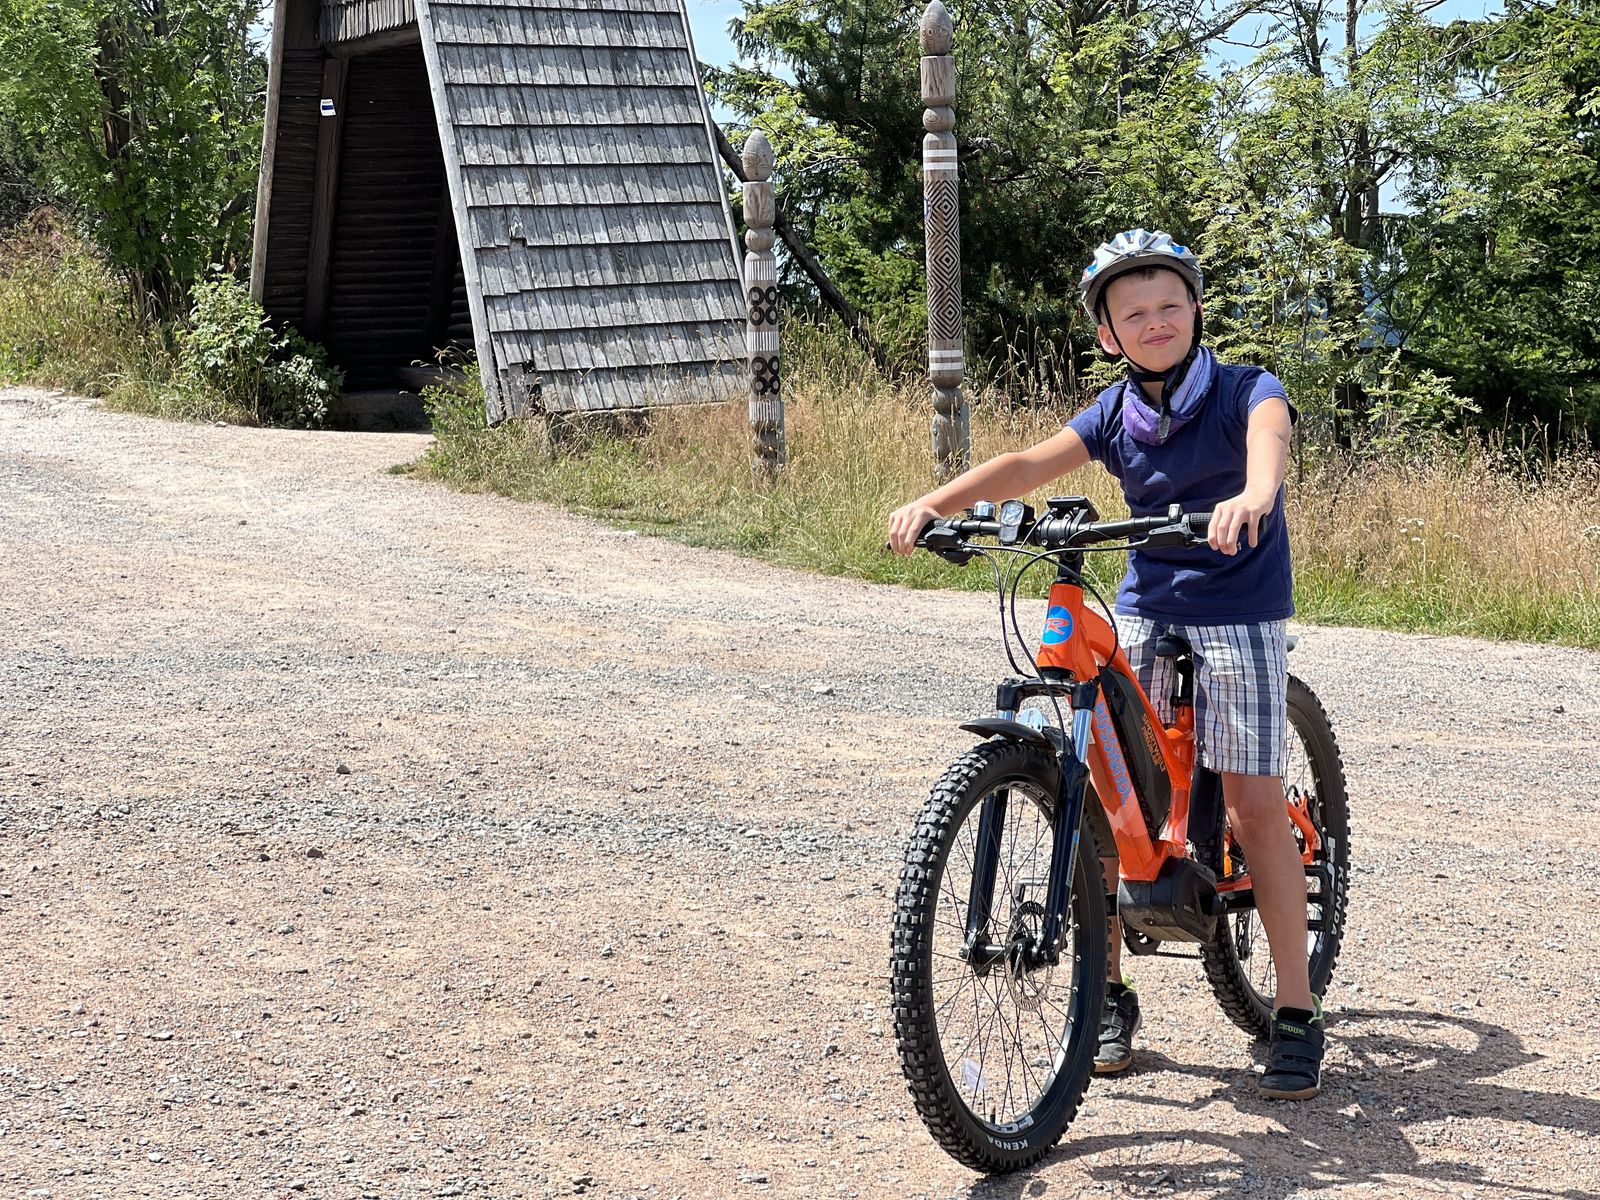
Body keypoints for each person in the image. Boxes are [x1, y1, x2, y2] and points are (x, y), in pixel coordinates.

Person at [886, 228, 1324, 1100]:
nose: (1156, 322)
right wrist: (936, 501)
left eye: (1170, 305)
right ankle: (1109, 994)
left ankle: (1296, 1010)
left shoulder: (1246, 390)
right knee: (1105, 793)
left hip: (1237, 611)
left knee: (1249, 803)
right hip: (1149, 608)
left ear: (1196, 310)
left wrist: (1254, 495)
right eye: (1135, 313)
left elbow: (1270, 443)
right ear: (1109, 334)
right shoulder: (1114, 412)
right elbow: (1024, 464)